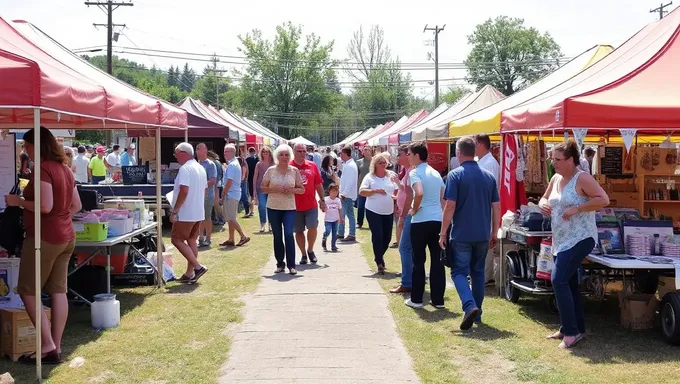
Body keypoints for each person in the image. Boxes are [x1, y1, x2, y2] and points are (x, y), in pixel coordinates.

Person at [4, 127, 81, 364]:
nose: (25, 151)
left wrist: (18, 201)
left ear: (36, 146)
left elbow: (45, 206)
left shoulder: (43, 168)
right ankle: (54, 346)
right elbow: (76, 206)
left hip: (44, 237)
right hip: (66, 236)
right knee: (58, 291)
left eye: (26, 147)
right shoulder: (65, 169)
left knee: (28, 290)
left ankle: (47, 345)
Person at [539, 139, 609, 348]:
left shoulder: (582, 178)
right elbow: (544, 198)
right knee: (568, 283)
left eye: (558, 159)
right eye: (552, 159)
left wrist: (578, 209)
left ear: (571, 160)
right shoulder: (557, 178)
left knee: (558, 280)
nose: (554, 163)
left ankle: (571, 333)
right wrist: (543, 204)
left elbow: (603, 199)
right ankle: (571, 328)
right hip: (561, 239)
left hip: (581, 237)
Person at [440, 136, 500, 330]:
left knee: (458, 271)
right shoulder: (488, 176)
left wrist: (442, 233)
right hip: (482, 233)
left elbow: (450, 206)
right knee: (478, 273)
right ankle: (477, 313)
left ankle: (469, 305)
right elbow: (496, 207)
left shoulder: (455, 175)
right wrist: (494, 230)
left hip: (461, 233)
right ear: (474, 151)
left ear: (458, 153)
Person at [404, 141, 446, 310]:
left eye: (409, 154)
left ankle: (417, 299)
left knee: (418, 261)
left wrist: (414, 209)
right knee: (437, 261)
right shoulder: (435, 173)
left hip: (421, 221)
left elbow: (419, 192)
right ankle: (438, 300)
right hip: (437, 220)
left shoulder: (415, 173)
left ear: (416, 155)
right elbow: (443, 198)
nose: (407, 157)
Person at [261, 144, 305, 274]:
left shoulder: (294, 171)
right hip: (273, 207)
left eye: (286, 155)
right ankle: (280, 263)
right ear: (276, 156)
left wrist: (292, 190)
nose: (284, 157)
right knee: (277, 235)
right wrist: (273, 189)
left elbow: (302, 189)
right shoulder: (271, 170)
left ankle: (292, 265)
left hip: (289, 207)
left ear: (290, 156)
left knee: (288, 234)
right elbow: (263, 187)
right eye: (281, 154)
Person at [169, 143, 209, 284]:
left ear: (183, 153)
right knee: (192, 240)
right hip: (198, 211)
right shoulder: (200, 168)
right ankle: (190, 273)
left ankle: (197, 268)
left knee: (176, 240)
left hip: (186, 213)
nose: (175, 156)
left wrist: (175, 210)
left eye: (176, 153)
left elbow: (184, 191)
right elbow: (204, 190)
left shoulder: (185, 169)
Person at [359, 153, 399, 274]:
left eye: (384, 162)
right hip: (373, 210)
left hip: (388, 211)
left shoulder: (391, 175)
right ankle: (379, 262)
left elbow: (398, 189)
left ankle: (379, 256)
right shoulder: (370, 177)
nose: (383, 165)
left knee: (387, 237)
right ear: (374, 164)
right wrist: (374, 191)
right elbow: (361, 191)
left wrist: (396, 201)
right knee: (377, 235)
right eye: (380, 163)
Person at [290, 143, 326, 265]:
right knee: (299, 231)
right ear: (294, 152)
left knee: (312, 227)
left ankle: (310, 250)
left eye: (304, 151)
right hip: (294, 206)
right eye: (299, 151)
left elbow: (318, 184)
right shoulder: (289, 166)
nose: (302, 153)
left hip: (311, 204)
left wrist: (322, 200)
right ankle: (304, 254)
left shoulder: (312, 166)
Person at [474, 134, 501, 287]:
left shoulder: (490, 163)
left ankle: (485, 275)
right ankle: (480, 273)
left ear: (481, 144)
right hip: (480, 207)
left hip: (487, 207)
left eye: (475, 144)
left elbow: (491, 190)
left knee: (487, 241)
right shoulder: (481, 161)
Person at [391, 145, 414, 294]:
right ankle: (409, 279)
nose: (398, 158)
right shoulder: (407, 171)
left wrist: (403, 215)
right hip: (409, 213)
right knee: (408, 248)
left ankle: (407, 282)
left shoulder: (411, 172)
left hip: (409, 214)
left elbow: (410, 196)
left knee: (404, 247)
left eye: (400, 155)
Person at [220, 144, 250, 247]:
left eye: (227, 151)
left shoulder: (232, 165)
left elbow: (229, 182)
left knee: (231, 218)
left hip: (231, 194)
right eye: (224, 151)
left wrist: (223, 195)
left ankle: (243, 236)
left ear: (232, 152)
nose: (224, 153)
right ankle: (231, 239)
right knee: (230, 218)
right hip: (233, 194)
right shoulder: (233, 164)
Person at [196, 143, 217, 247]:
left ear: (205, 151)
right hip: (198, 195)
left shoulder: (210, 164)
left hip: (208, 195)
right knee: (199, 217)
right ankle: (200, 237)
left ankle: (208, 238)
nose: (197, 151)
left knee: (207, 217)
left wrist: (201, 184)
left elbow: (213, 180)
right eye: (196, 149)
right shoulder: (197, 164)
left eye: (198, 149)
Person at [338, 146, 358, 241]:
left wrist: (344, 194)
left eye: (341, 153)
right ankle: (342, 232)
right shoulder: (348, 164)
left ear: (345, 154)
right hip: (346, 194)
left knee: (347, 215)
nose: (340, 155)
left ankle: (351, 234)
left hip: (347, 195)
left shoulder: (350, 166)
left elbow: (350, 182)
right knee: (345, 214)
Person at [253, 146, 274, 233]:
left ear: (270, 153)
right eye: (264, 152)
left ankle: (271, 224)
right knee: (262, 206)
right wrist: (254, 189)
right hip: (260, 187)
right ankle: (262, 224)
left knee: (271, 206)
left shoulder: (273, 164)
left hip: (271, 188)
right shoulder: (259, 164)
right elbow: (255, 177)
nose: (265, 154)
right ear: (261, 153)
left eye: (267, 152)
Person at [322, 183, 343, 252]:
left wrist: (340, 218)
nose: (334, 193)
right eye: (333, 191)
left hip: (335, 219)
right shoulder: (326, 199)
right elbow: (323, 208)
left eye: (336, 191)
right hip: (328, 219)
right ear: (329, 191)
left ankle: (333, 246)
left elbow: (339, 209)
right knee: (328, 230)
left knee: (334, 233)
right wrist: (323, 208)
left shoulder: (338, 200)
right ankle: (324, 237)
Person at [355, 147, 373, 229]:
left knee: (371, 207)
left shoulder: (374, 161)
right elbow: (356, 175)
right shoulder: (359, 162)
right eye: (364, 150)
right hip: (361, 187)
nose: (365, 151)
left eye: (367, 150)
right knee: (361, 206)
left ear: (371, 151)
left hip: (372, 188)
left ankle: (372, 223)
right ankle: (359, 222)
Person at [208, 150, 224, 227]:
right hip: (218, 184)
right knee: (216, 203)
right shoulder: (218, 162)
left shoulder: (213, 163)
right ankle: (217, 218)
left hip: (216, 186)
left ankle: (221, 218)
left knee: (216, 203)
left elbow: (216, 176)